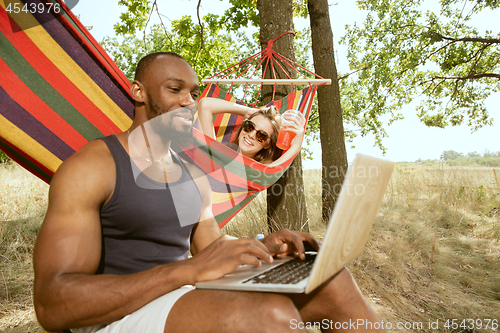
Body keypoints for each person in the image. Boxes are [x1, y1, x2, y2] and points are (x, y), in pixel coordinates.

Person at [33, 51, 385, 333]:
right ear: (138, 91)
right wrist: (186, 271)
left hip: (179, 294)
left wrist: (263, 246)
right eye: (175, 90)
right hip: (117, 318)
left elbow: (210, 247)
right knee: (270, 316)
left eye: (193, 93)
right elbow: (52, 304)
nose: (189, 102)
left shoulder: (190, 170)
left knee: (331, 282)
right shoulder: (93, 167)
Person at [197, 97, 305, 166]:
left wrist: (295, 146)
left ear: (267, 144)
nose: (251, 135)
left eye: (261, 135)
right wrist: (247, 111)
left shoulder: (258, 170)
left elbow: (269, 173)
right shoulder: (216, 152)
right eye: (250, 126)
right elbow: (205, 105)